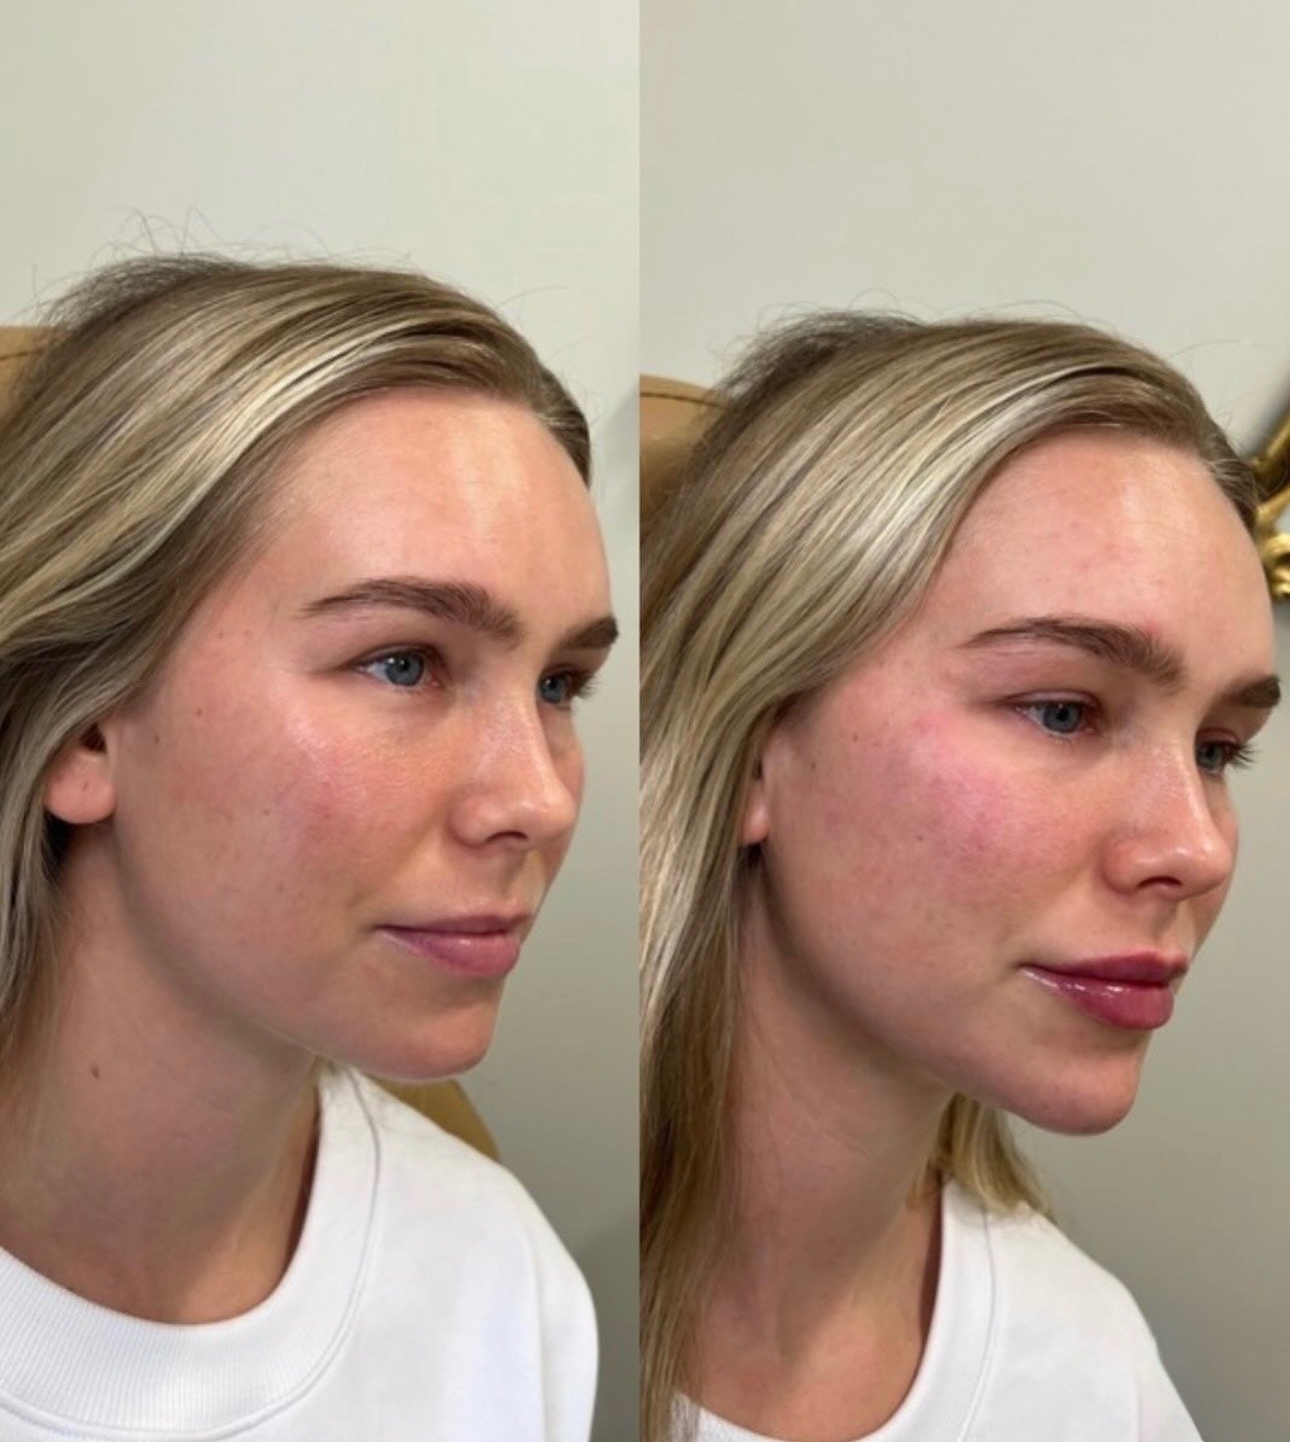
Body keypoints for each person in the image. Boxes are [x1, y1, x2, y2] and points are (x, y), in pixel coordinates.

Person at [0, 255, 617, 1441]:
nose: (540, 799)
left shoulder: (500, 1292)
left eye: (560, 683)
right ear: (83, 722)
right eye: (404, 662)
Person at [641, 312, 1279, 1442]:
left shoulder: (1091, 1374)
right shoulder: (487, 1325)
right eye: (1064, 711)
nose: (1199, 848)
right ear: (748, 746)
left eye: (1219, 750)